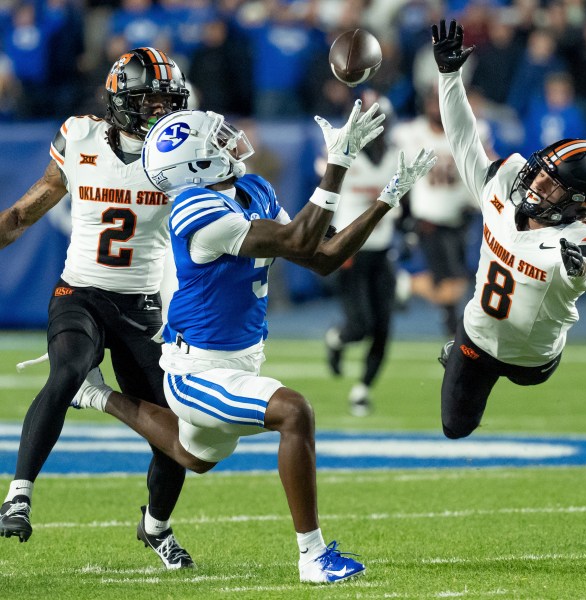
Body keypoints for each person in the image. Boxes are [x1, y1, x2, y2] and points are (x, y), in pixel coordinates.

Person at [71, 102, 436, 582]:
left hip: (241, 361)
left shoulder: (253, 188)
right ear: (195, 165)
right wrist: (339, 164)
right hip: (197, 369)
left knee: (193, 456)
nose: (229, 140)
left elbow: (320, 256)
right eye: (216, 140)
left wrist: (387, 199)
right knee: (294, 411)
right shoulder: (195, 211)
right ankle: (313, 557)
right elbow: (302, 240)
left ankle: (94, 393)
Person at [0, 47, 196, 570]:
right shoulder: (80, 136)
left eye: (167, 101)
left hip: (143, 303)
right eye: (149, 101)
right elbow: (25, 210)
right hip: (80, 291)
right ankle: (18, 493)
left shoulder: (182, 153)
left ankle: (155, 526)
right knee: (67, 370)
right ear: (120, 102)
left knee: (177, 435)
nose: (161, 111)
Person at [431, 19, 586, 440]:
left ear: (578, 203)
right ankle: (461, 349)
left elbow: (584, 272)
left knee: (527, 377)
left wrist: (577, 275)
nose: (536, 183)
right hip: (479, 333)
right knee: (455, 428)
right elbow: (465, 140)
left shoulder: (583, 238)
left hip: (535, 359)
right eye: (540, 172)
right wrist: (449, 77)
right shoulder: (505, 186)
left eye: (551, 184)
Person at [323, 92, 402, 417]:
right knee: (361, 326)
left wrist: (407, 231)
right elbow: (323, 198)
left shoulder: (397, 155)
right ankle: (337, 339)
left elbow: (404, 200)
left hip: (382, 253)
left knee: (383, 329)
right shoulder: (343, 156)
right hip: (350, 251)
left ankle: (362, 390)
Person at [391, 84, 491, 336]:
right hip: (429, 216)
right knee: (452, 281)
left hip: (460, 214)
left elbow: (487, 160)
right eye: (432, 102)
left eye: (440, 103)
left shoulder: (469, 130)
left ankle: (415, 291)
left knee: (455, 279)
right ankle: (444, 318)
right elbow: (397, 174)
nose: (437, 108)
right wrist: (400, 214)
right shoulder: (411, 134)